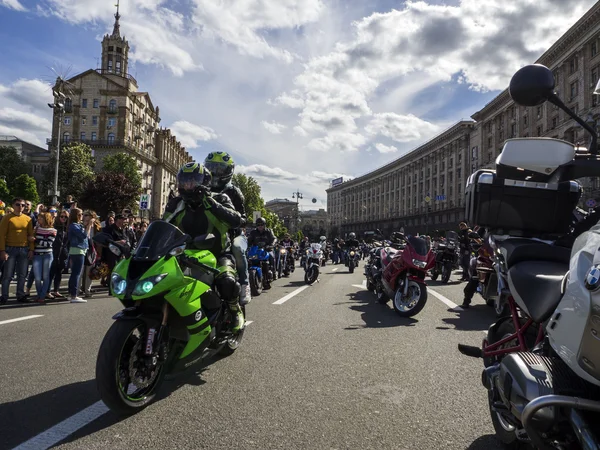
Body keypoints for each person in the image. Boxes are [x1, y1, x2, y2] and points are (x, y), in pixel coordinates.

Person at [163, 162, 245, 331]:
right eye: (184, 181)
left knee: (227, 282)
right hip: (182, 255)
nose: (188, 185)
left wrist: (208, 201)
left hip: (218, 254)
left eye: (192, 181)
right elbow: (161, 225)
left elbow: (236, 220)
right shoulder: (176, 203)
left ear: (204, 182)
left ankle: (235, 310)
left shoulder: (220, 198)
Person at [204, 151, 251, 305]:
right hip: (207, 233)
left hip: (233, 234)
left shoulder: (233, 192)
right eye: (212, 168)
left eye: (220, 169)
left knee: (237, 248)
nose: (215, 172)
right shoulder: (202, 188)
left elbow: (242, 217)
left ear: (228, 171)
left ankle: (244, 284)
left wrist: (237, 220)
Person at [0, 198, 35, 304]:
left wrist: (31, 249)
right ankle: (4, 296)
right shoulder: (7, 218)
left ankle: (20, 295)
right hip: (10, 249)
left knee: (22, 274)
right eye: (18, 204)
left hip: (24, 249)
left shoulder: (28, 219)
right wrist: (2, 250)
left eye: (23, 205)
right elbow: (1, 235)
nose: (20, 207)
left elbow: (31, 235)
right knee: (8, 275)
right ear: (13, 205)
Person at [67, 208, 92, 303]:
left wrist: (86, 225)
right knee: (76, 274)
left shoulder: (77, 225)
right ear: (77, 215)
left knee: (74, 273)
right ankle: (74, 295)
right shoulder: (74, 226)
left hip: (79, 250)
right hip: (77, 251)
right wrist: (89, 226)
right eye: (81, 214)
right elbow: (84, 236)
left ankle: (71, 294)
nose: (82, 216)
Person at [32, 212, 57, 304]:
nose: (38, 220)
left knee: (45, 276)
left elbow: (48, 244)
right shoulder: (36, 229)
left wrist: (36, 240)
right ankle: (39, 294)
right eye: (38, 218)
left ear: (46, 219)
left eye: (41, 218)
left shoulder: (53, 230)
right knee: (37, 277)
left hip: (47, 255)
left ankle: (42, 296)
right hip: (37, 254)